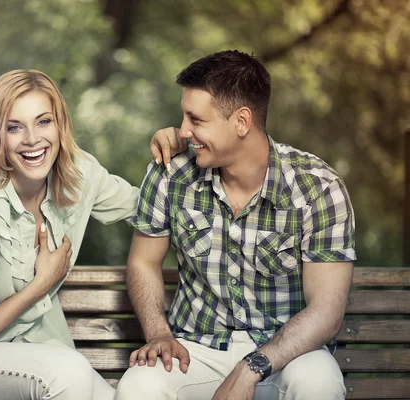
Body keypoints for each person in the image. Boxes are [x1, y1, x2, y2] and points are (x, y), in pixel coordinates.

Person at [0, 69, 178, 400]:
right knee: (70, 374)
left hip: (33, 353)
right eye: (14, 127)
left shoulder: (79, 174)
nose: (32, 139)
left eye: (43, 121)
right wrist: (41, 283)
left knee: (118, 396)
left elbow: (152, 210)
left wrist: (182, 147)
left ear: (60, 125)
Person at [116, 50, 356, 400]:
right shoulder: (171, 173)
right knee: (140, 384)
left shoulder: (318, 187)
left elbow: (326, 312)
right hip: (196, 349)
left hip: (287, 352)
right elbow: (143, 261)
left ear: (242, 122)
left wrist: (252, 366)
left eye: (196, 119)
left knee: (317, 382)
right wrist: (158, 334)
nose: (182, 131)